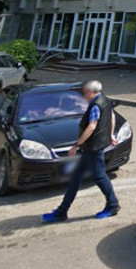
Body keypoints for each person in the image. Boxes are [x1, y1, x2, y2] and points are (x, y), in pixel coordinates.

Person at [41, 81, 119, 222]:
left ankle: (113, 205)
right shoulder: (106, 100)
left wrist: (76, 145)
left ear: (90, 92)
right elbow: (112, 117)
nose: (83, 96)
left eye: (84, 93)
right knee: (76, 177)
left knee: (100, 177)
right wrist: (111, 135)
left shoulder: (96, 105)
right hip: (93, 146)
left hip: (93, 147)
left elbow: (92, 126)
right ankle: (62, 211)